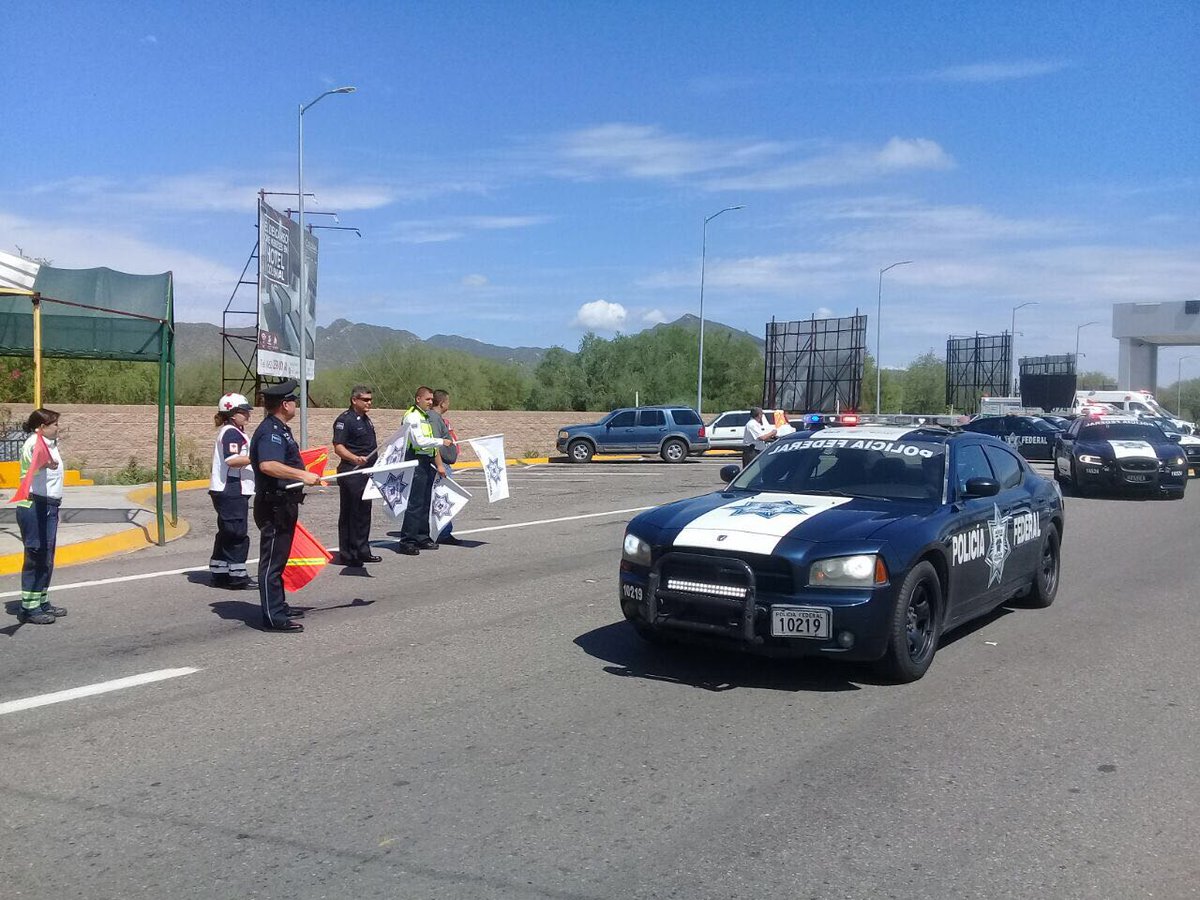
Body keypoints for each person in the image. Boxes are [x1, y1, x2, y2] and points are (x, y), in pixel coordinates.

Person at [249, 379, 324, 633]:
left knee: (280, 560)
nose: (295, 404)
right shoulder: (270, 431)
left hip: (284, 504)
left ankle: (278, 605)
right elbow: (267, 465)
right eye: (293, 400)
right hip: (274, 506)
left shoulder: (280, 429)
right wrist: (303, 476)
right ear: (284, 404)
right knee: (272, 562)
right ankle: (273, 617)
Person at [15, 409, 65, 624]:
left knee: (46, 557)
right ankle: (29, 608)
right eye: (54, 424)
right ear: (41, 427)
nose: (57, 427)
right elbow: (33, 465)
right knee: (36, 556)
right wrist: (45, 464)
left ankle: (41, 600)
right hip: (35, 505)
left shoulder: (48, 444)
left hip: (49, 506)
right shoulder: (33, 445)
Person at [397, 386, 453, 555]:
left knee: (425, 501)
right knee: (415, 503)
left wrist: (439, 464)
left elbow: (430, 446)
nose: (431, 402)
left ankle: (422, 536)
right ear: (418, 399)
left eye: (431, 399)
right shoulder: (412, 417)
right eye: (427, 399)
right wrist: (441, 442)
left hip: (427, 461)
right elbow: (420, 442)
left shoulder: (425, 417)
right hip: (415, 460)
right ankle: (408, 540)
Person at [209, 393, 255, 589]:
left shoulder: (236, 431)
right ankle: (237, 575)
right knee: (236, 532)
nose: (247, 415)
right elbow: (232, 460)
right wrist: (259, 458)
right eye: (243, 411)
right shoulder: (231, 433)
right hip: (231, 488)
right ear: (232, 413)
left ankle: (220, 571)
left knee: (227, 531)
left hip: (230, 488)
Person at [332, 384, 379, 566]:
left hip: (367, 473)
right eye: (365, 399)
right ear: (354, 400)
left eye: (370, 399)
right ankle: (348, 554)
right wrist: (354, 458)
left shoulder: (366, 419)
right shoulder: (345, 420)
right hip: (351, 472)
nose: (369, 403)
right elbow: (338, 446)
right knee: (350, 513)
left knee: (363, 513)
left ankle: (362, 550)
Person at [427, 388, 462, 545]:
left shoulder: (435, 418)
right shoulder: (434, 418)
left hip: (439, 464)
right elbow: (434, 443)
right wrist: (440, 465)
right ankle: (443, 533)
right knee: (443, 499)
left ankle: (436, 531)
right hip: (439, 466)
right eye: (448, 401)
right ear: (442, 403)